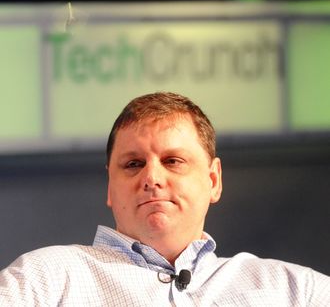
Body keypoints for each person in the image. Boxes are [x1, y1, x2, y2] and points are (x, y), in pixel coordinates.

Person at [0, 91, 329, 306]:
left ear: (213, 180)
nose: (152, 178)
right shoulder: (44, 280)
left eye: (173, 161)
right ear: (110, 189)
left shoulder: (294, 290)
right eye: (133, 164)